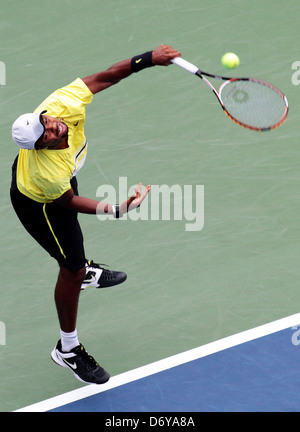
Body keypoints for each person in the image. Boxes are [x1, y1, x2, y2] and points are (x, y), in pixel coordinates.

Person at [10, 44, 181, 385]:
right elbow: (69, 202)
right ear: (40, 146)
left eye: (47, 121)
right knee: (70, 267)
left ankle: (83, 271)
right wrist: (119, 209)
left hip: (62, 183)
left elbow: (103, 78)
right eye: (47, 132)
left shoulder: (59, 105)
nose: (54, 126)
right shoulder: (48, 172)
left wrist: (147, 59)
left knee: (74, 258)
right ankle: (67, 349)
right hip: (40, 204)